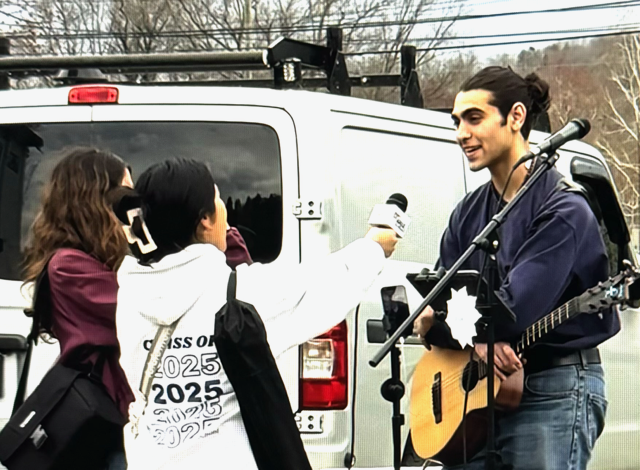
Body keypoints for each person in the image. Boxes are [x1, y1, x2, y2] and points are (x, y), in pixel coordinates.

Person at [114, 157, 397, 470]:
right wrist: (375, 246)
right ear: (205, 220)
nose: (225, 210)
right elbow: (328, 281)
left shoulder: (130, 297)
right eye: (218, 198)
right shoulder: (240, 294)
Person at [413, 66, 620, 470]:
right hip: (475, 393)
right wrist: (468, 339)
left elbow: (511, 313)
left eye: (474, 118)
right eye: (457, 122)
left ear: (516, 117)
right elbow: (437, 299)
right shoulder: (469, 214)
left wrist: (446, 326)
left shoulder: (564, 210)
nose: (461, 134)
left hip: (552, 389)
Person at [22, 147, 136, 470]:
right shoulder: (69, 266)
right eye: (126, 194)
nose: (134, 204)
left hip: (125, 421)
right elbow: (141, 307)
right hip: (108, 424)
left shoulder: (104, 260)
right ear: (96, 200)